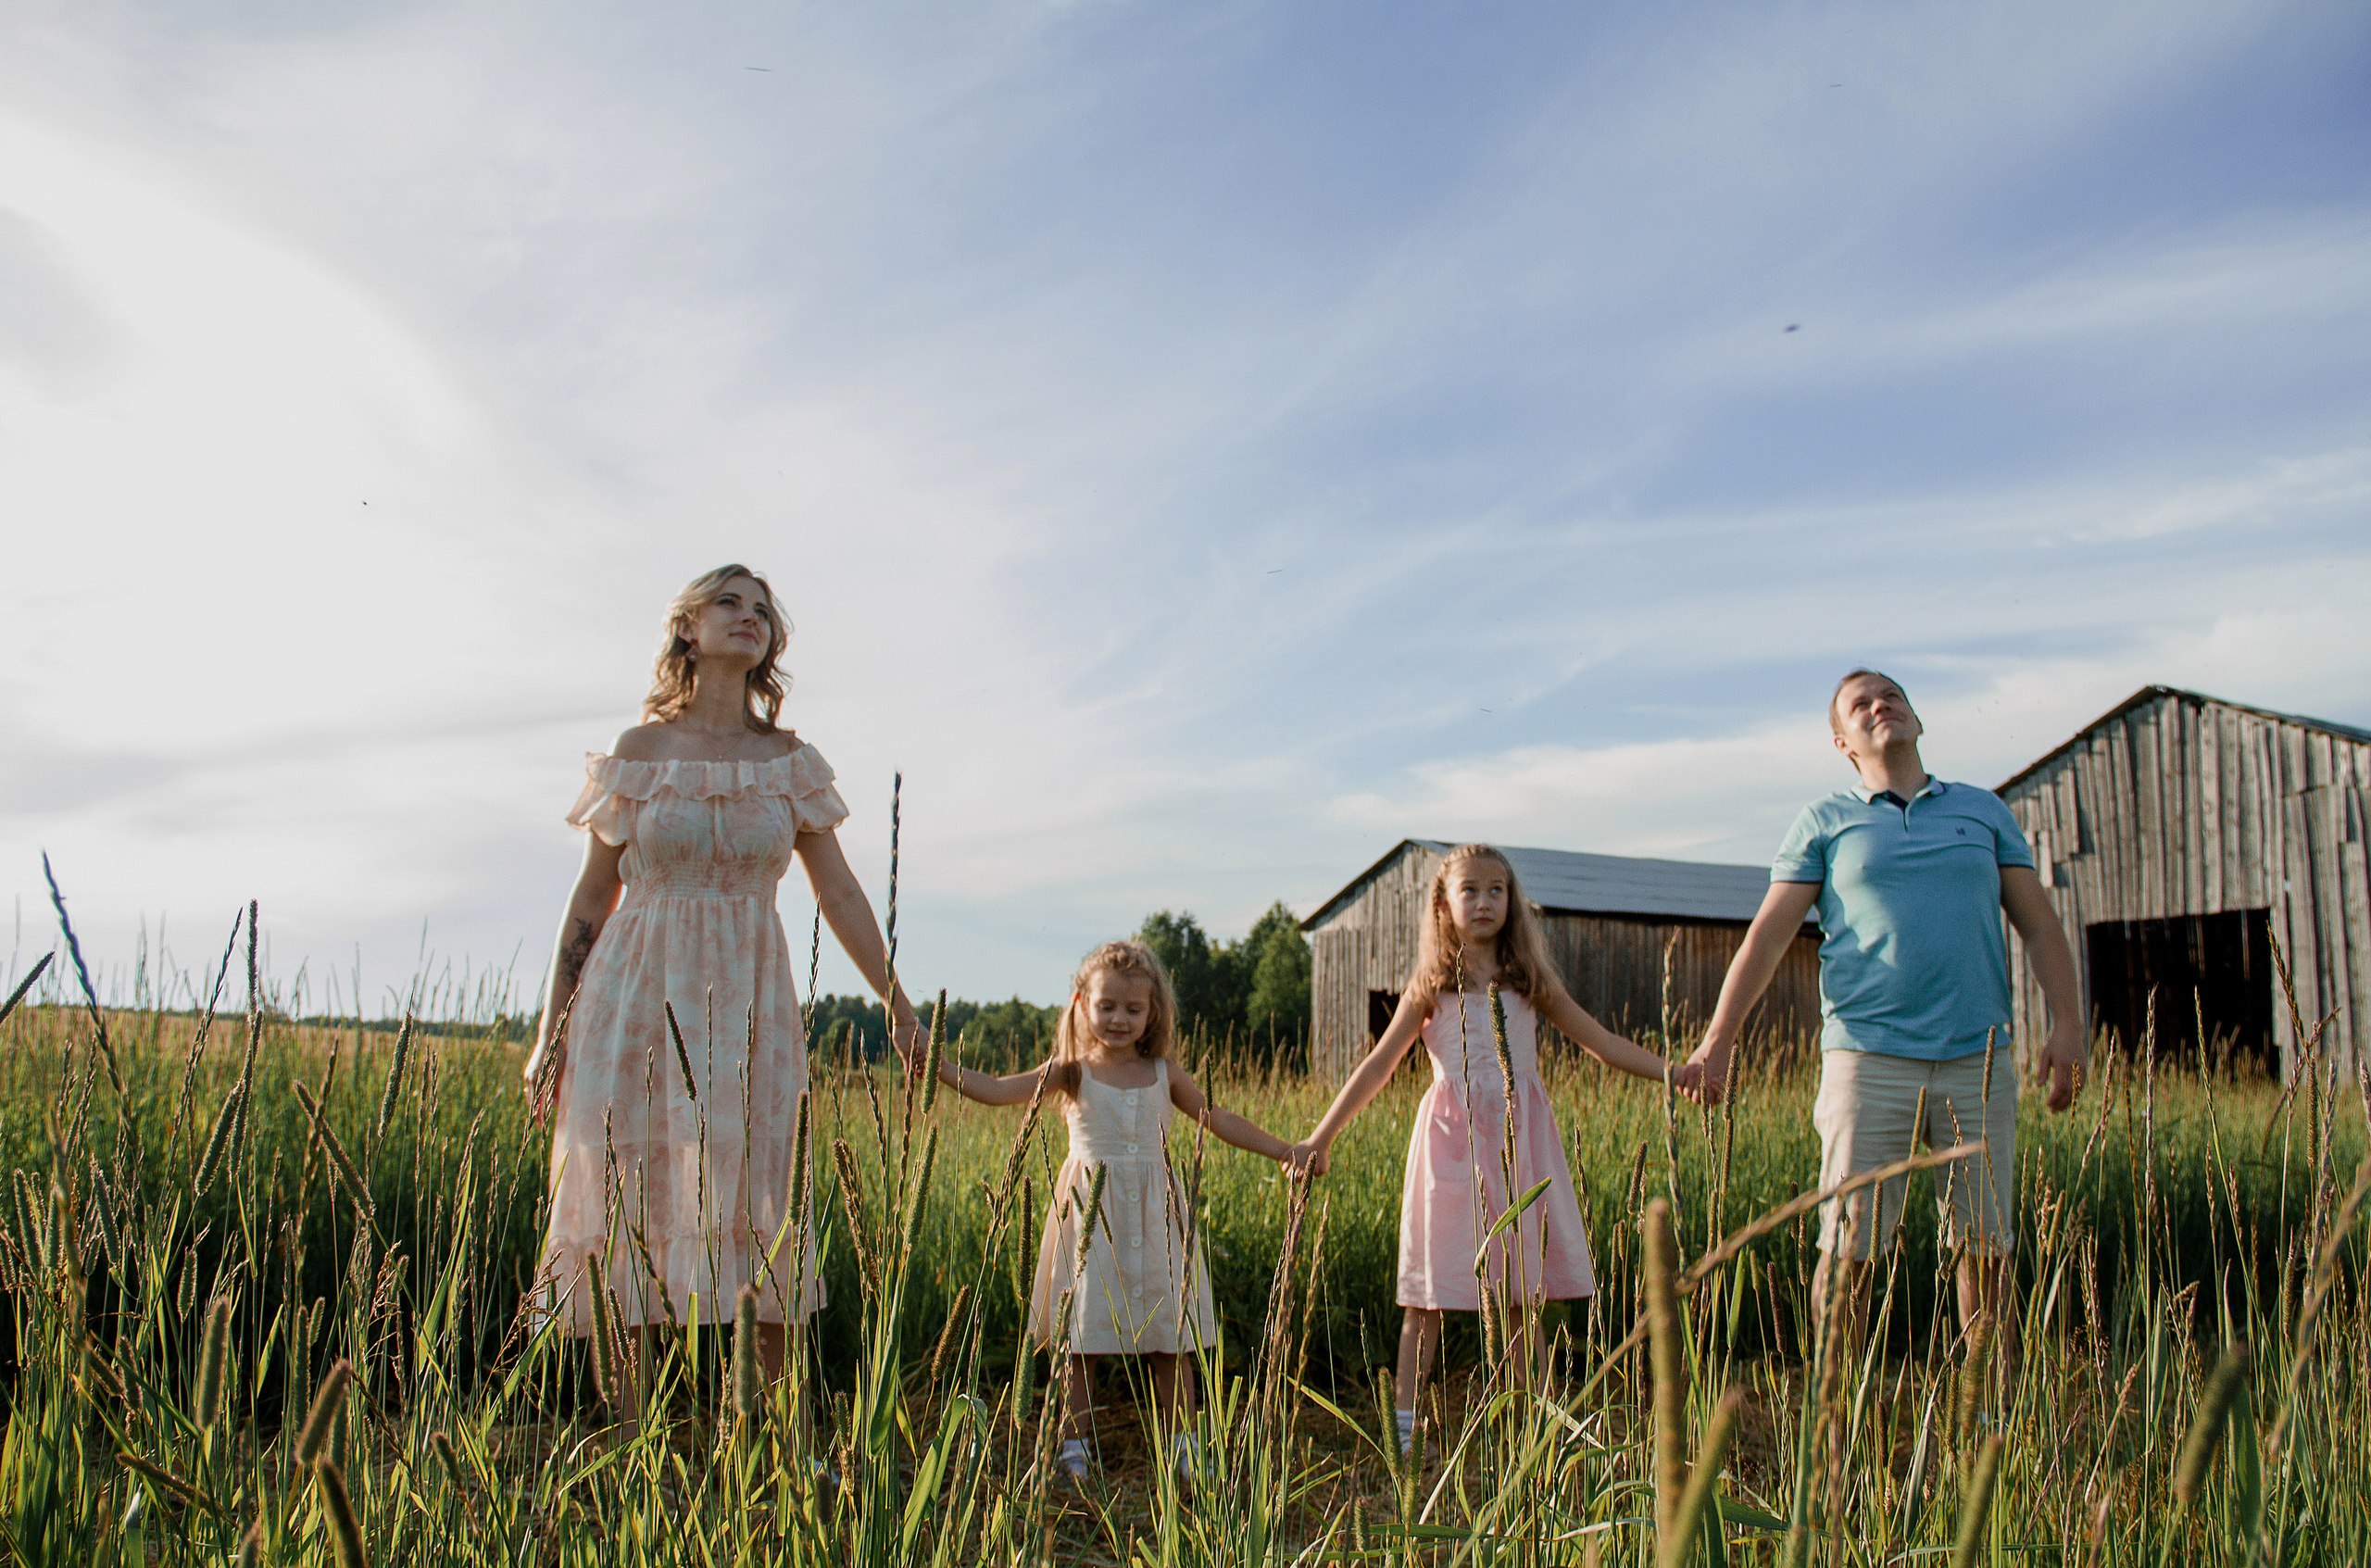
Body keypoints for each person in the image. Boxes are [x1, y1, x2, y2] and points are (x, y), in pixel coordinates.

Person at [522, 563, 922, 1430]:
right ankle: (633, 1445)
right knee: (624, 1199)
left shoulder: (788, 763)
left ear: (771, 642)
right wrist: (547, 1032)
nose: (750, 616)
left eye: (763, 610)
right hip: (629, 999)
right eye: (729, 603)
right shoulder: (637, 753)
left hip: (749, 1008)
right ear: (687, 628)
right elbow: (593, 899)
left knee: (757, 1202)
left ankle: (773, 1446)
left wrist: (895, 998)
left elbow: (842, 894)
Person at [1678, 668, 2085, 1367]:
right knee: (1849, 1247)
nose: (1880, 706)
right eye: (1860, 705)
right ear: (1843, 741)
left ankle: (1985, 1423)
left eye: (1891, 696)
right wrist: (1718, 1041)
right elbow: (1768, 937)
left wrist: (2071, 1024)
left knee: (1984, 1247)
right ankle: (1835, 1428)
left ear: (1917, 719)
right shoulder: (1826, 821)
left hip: (1977, 1059)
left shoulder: (1982, 811)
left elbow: (2042, 926)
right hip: (1867, 1061)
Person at [1293, 845, 1674, 1456]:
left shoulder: (1530, 981)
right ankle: (1406, 1430)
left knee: (1521, 1298)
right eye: (1470, 890)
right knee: (1427, 1296)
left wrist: (1672, 1074)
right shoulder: (1429, 985)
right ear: (1443, 903)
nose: (1485, 901)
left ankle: (1546, 1429)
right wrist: (1320, 1135)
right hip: (1449, 1147)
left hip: (1520, 1147)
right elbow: (1378, 1066)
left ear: (1511, 902)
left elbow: (1601, 1042)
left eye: (1497, 890)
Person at [921, 940, 1296, 1487]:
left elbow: (1220, 1119)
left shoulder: (1164, 1073)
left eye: (1133, 1009)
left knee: (1171, 1342)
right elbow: (998, 1090)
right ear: (1081, 1004)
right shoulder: (1070, 1071)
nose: (1119, 1019)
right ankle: (1071, 1447)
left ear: (1153, 1014)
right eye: (1107, 1006)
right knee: (1079, 1343)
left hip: (1156, 1218)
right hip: (1087, 1220)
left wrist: (1285, 1151)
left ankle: (1186, 1447)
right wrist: (935, 1062)